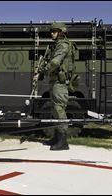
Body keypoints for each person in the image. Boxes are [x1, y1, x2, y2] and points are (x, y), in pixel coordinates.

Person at [40, 22, 77, 150]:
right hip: (55, 81)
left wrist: (44, 70)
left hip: (59, 83)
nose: (51, 33)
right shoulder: (57, 45)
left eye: (54, 31)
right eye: (51, 31)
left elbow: (55, 62)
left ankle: (63, 141)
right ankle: (56, 138)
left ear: (61, 32)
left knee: (59, 110)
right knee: (55, 110)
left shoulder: (63, 45)